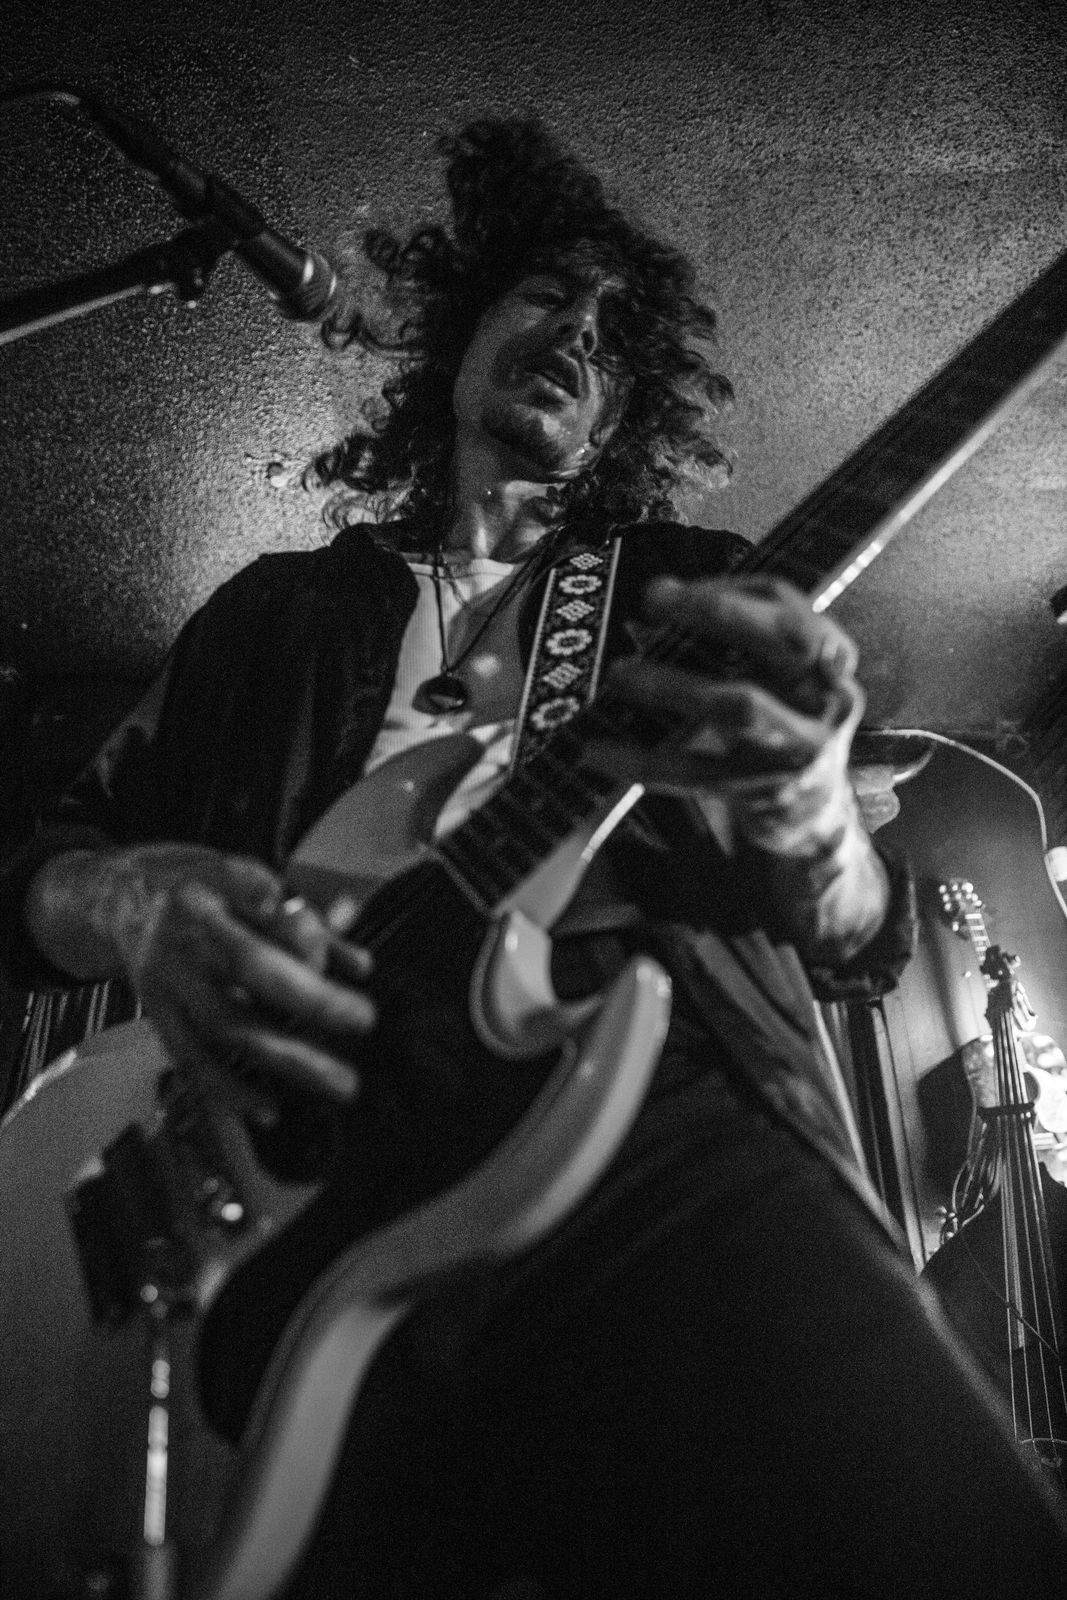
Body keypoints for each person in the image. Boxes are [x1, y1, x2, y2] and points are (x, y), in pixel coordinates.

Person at [3, 118, 1066, 1599]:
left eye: (614, 340)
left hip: (648, 1135)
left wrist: (814, 819)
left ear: (624, 418)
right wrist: (130, 904)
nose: (576, 334)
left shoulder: (694, 595)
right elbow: (44, 863)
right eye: (548, 295)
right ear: (460, 330)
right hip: (273, 1191)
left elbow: (852, 938)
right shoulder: (272, 613)